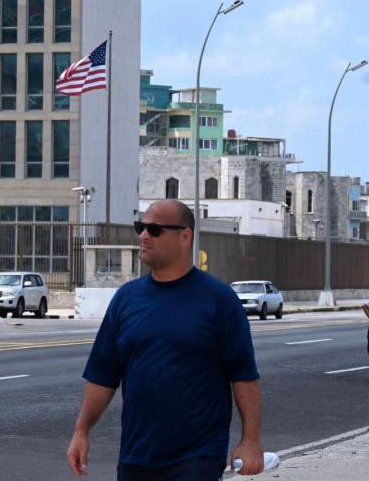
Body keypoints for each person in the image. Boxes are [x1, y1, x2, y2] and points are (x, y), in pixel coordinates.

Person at [66, 199, 264, 480]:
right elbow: (103, 375)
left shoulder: (219, 300)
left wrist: (251, 441)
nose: (144, 236)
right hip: (136, 458)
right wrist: (81, 432)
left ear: (185, 236)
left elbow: (244, 377)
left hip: (197, 459)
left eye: (155, 230)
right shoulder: (126, 299)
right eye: (141, 227)